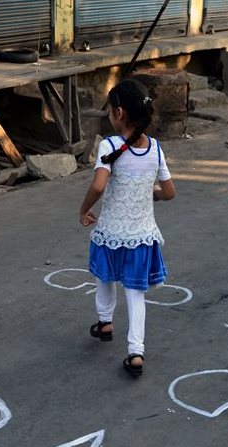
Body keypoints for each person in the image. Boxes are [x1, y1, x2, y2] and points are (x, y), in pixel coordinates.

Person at [78, 79, 176, 378]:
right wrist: (152, 193)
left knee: (104, 277)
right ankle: (136, 352)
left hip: (110, 232)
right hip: (142, 235)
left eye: (109, 109)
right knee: (136, 294)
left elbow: (98, 185)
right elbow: (169, 192)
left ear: (119, 113)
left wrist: (84, 209)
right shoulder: (155, 149)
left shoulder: (109, 145)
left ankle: (105, 322)